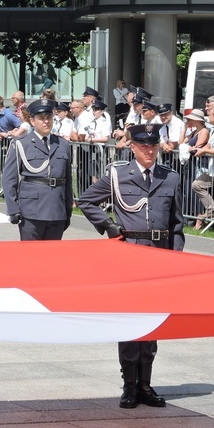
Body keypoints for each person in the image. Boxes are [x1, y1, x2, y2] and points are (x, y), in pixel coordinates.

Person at [78, 123, 184, 410]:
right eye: (143, 145)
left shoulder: (170, 177)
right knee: (129, 324)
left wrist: (177, 260)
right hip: (130, 256)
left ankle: (145, 384)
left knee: (151, 324)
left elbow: (176, 223)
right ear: (133, 147)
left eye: (153, 145)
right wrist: (109, 227)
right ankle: (128, 385)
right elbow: (87, 201)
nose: (149, 150)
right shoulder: (118, 174)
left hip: (160, 258)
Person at [2, 98, 73, 241]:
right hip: (31, 211)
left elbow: (68, 181)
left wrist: (68, 209)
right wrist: (13, 209)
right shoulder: (22, 144)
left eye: (49, 117)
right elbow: (9, 179)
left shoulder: (63, 144)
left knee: (53, 259)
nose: (46, 121)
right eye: (41, 118)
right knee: (31, 258)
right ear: (33, 121)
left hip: (56, 210)